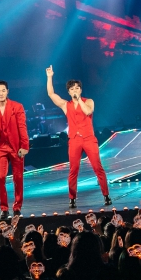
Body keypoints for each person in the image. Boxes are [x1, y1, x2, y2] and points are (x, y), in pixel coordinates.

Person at [46, 65, 112, 208]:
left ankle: (106, 195)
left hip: (89, 139)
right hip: (74, 140)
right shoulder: (66, 105)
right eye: (72, 89)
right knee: (73, 169)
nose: (75, 90)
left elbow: (88, 112)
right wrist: (50, 77)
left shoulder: (89, 101)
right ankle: (72, 198)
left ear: (80, 90)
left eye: (77, 88)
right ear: (68, 92)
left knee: (97, 167)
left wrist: (79, 100)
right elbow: (51, 94)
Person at [0, 80, 29, 220]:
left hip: (16, 147)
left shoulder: (17, 106)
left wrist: (25, 146)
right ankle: (4, 209)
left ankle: (17, 207)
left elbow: (22, 127)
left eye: (3, 90)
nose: (1, 93)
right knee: (0, 177)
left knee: (18, 178)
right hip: (1, 148)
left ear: (7, 91)